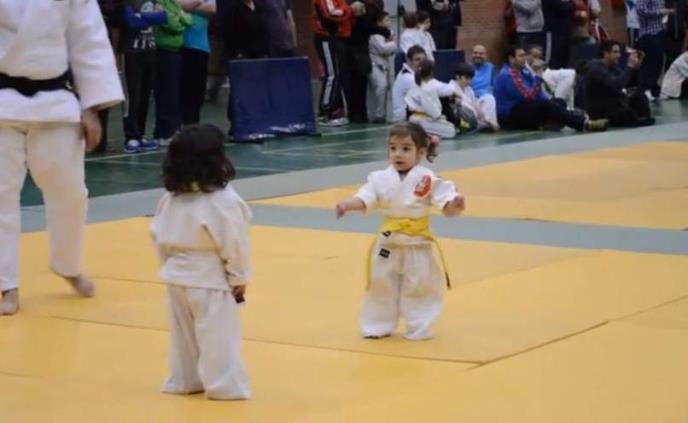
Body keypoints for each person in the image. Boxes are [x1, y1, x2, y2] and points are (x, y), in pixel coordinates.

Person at [0, 0, 124, 315]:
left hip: (56, 101)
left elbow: (88, 39)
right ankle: (5, 284)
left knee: (70, 194)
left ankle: (68, 264)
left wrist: (91, 107)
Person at [335, 122, 464, 340]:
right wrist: (347, 204)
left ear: (420, 152)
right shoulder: (378, 178)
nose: (398, 154)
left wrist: (455, 204)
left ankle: (419, 327)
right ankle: (377, 325)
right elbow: (365, 198)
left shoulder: (428, 178)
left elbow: (446, 203)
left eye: (405, 148)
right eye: (393, 148)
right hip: (388, 241)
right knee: (380, 282)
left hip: (417, 242)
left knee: (420, 285)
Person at [151, 124, 252, 400]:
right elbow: (234, 243)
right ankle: (224, 386)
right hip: (210, 279)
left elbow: (158, 236)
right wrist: (239, 277)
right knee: (218, 337)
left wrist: (169, 267)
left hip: (176, 277)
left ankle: (185, 380)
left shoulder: (170, 199)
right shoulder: (223, 200)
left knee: (183, 337)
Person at [494, 45, 607, 132]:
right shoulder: (508, 75)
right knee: (547, 106)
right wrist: (538, 77)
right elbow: (529, 97)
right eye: (520, 56)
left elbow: (538, 94)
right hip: (510, 117)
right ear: (511, 59)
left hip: (524, 108)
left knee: (559, 102)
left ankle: (548, 123)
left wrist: (553, 103)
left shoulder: (523, 72)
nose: (524, 59)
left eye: (524, 55)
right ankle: (584, 124)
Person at [121, 0, 167, 154]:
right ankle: (130, 136)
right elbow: (131, 22)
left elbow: (163, 17)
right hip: (132, 53)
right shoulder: (128, 2)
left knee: (145, 95)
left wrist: (141, 16)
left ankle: (140, 134)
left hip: (150, 52)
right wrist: (151, 17)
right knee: (132, 96)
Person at [310, 0, 366, 126]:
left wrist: (353, 12)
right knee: (332, 74)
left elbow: (341, 14)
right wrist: (351, 9)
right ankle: (326, 112)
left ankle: (334, 110)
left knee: (337, 74)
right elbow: (330, 13)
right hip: (325, 36)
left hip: (335, 37)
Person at [582, 40, 653, 127]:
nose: (619, 55)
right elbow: (616, 84)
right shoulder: (596, 69)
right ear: (606, 54)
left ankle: (642, 119)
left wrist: (635, 68)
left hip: (613, 105)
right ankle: (637, 120)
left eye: (619, 52)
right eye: (615, 52)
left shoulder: (612, 67)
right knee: (624, 113)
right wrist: (630, 66)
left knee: (639, 97)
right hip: (600, 110)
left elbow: (629, 83)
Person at [180, 0, 217, 126]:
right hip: (180, 45)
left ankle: (192, 124)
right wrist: (199, 3)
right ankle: (181, 124)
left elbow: (213, 9)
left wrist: (189, 7)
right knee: (181, 89)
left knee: (197, 91)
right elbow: (175, 5)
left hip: (201, 47)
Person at [405, 59, 457, 138]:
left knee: (449, 124)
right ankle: (425, 133)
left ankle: (424, 132)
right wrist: (440, 117)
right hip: (421, 120)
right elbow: (434, 113)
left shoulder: (415, 84)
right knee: (451, 131)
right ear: (431, 73)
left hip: (415, 118)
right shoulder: (427, 89)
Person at [449, 63, 500, 131]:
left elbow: (474, 103)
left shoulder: (468, 89)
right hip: (463, 120)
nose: (469, 81)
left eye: (471, 79)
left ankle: (488, 122)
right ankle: (483, 124)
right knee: (464, 107)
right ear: (457, 76)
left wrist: (480, 112)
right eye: (467, 78)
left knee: (489, 98)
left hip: (476, 116)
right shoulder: (450, 88)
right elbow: (456, 108)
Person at [368, 11, 397, 123]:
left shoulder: (389, 33)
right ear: (379, 22)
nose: (389, 22)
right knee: (381, 86)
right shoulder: (375, 34)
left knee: (384, 88)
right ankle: (377, 114)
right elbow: (383, 49)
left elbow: (392, 51)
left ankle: (381, 114)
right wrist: (392, 43)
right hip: (374, 62)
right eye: (386, 20)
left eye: (389, 20)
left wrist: (391, 44)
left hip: (384, 63)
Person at [392, 45, 427, 122]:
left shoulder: (414, 74)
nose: (421, 63)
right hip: (404, 120)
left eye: (424, 60)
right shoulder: (407, 78)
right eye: (417, 60)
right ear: (408, 60)